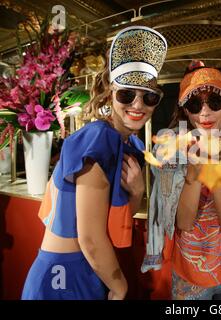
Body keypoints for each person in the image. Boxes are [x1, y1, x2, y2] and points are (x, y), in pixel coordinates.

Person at [21, 26, 167, 300]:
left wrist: (136, 191)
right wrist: (119, 286)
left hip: (87, 269)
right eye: (127, 94)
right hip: (64, 275)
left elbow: (113, 221)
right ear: (111, 93)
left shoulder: (122, 144)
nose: (138, 104)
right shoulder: (97, 140)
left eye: (148, 97)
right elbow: (90, 238)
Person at [141, 61, 221, 300]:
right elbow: (184, 222)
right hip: (189, 274)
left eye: (214, 102)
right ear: (185, 109)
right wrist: (196, 171)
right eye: (195, 104)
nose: (205, 112)